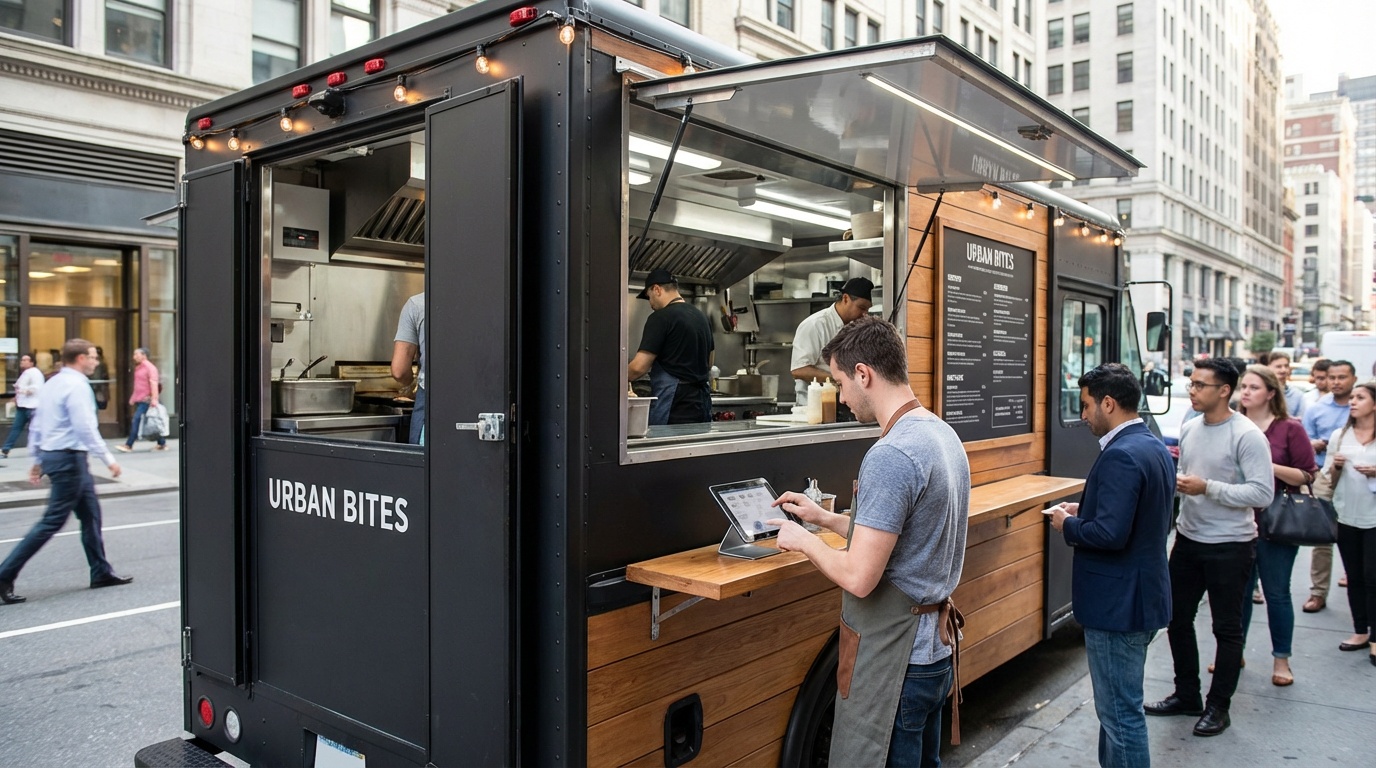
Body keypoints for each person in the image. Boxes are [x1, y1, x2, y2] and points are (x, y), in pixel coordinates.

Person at [766, 316, 969, 765]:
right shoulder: (940, 432)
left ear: (864, 374)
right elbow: (901, 533)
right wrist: (824, 518)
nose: (839, 396)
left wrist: (803, 540)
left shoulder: (891, 454)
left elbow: (859, 577)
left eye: (839, 382)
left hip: (900, 661)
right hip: (936, 652)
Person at [1047, 363, 1174, 768]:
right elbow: (1138, 515)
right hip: (1141, 598)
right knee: (1120, 713)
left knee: (1120, 717)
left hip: (1118, 607)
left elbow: (1110, 535)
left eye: (1085, 406)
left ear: (1108, 403)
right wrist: (1085, 508)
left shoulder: (1121, 454)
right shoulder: (1149, 444)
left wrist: (1069, 524)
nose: (1083, 416)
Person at [1145, 358, 1272, 737]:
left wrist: (1207, 488)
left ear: (1224, 391)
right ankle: (1187, 695)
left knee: (1226, 629)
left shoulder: (1247, 435)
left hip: (1231, 545)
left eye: (1201, 385)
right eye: (1192, 384)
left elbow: (1262, 493)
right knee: (1176, 619)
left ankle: (1219, 706)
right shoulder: (1190, 426)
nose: (1192, 390)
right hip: (1188, 539)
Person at [0, 339, 130, 605]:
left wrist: (37, 459)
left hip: (60, 457)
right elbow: (84, 428)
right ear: (80, 358)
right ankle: (4, 575)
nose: (95, 361)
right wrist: (108, 459)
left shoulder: (54, 383)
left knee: (91, 515)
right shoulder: (76, 386)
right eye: (93, 357)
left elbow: (37, 424)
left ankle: (101, 571)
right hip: (69, 459)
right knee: (51, 521)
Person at [1236, 365, 1318, 687]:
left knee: (1277, 593)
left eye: (1254, 387)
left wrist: (1266, 465)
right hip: (1239, 521)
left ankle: (1281, 659)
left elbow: (1308, 475)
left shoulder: (1289, 429)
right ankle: (1234, 651)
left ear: (1271, 393)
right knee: (1237, 594)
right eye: (1244, 386)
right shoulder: (1233, 425)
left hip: (1277, 524)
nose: (1246, 392)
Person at [1318, 380, 1376, 666]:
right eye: (1352, 397)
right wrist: (1337, 467)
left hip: (1374, 517)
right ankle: (1360, 631)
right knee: (1354, 575)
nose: (1353, 402)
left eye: (1360, 397)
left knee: (1373, 576)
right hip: (1346, 514)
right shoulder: (1340, 436)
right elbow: (1328, 477)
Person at [1301, 359, 1356, 613]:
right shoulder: (1316, 408)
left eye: (1342, 377)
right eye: (1332, 377)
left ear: (1353, 379)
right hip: (1324, 474)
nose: (1336, 382)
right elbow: (1305, 442)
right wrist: (1317, 444)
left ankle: (1361, 590)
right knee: (1322, 537)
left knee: (1358, 533)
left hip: (1359, 476)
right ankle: (1318, 592)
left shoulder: (1363, 405)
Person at [627, 269, 714, 425]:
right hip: (701, 402)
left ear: (657, 289)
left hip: (675, 405)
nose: (650, 303)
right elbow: (710, 362)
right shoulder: (701, 317)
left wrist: (613, 380)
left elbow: (638, 368)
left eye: (649, 297)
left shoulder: (660, 317)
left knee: (666, 446)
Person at [789, 277, 874, 406]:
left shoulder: (857, 329)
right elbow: (799, 370)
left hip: (846, 406)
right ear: (845, 299)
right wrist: (840, 379)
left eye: (867, 310)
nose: (865, 314)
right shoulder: (815, 325)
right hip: (813, 407)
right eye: (861, 308)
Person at [391, 292, 426, 444]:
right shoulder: (484, 299)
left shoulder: (417, 304)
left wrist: (411, 384)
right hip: (480, 406)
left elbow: (399, 371)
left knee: (427, 464)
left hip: (432, 404)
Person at [117, 347, 165, 452]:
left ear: (144, 355)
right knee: (152, 420)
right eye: (134, 354)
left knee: (136, 420)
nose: (134, 357)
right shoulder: (139, 368)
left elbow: (154, 383)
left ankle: (129, 445)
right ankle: (162, 443)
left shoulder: (150, 368)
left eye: (136, 354)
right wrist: (133, 397)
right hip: (141, 399)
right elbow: (138, 386)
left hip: (147, 400)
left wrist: (154, 399)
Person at [2, 353, 45, 459]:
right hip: (23, 406)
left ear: (32, 362)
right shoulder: (26, 373)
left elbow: (36, 388)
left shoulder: (34, 373)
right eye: (22, 360)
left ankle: (42, 449)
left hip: (32, 406)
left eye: (26, 360)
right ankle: (5, 449)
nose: (22, 361)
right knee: (17, 428)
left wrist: (21, 391)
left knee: (35, 429)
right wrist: (17, 396)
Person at [1265, 351, 1304, 417]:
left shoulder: (1297, 395)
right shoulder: (1262, 392)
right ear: (1269, 367)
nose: (1283, 370)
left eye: (1286, 366)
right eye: (1278, 366)